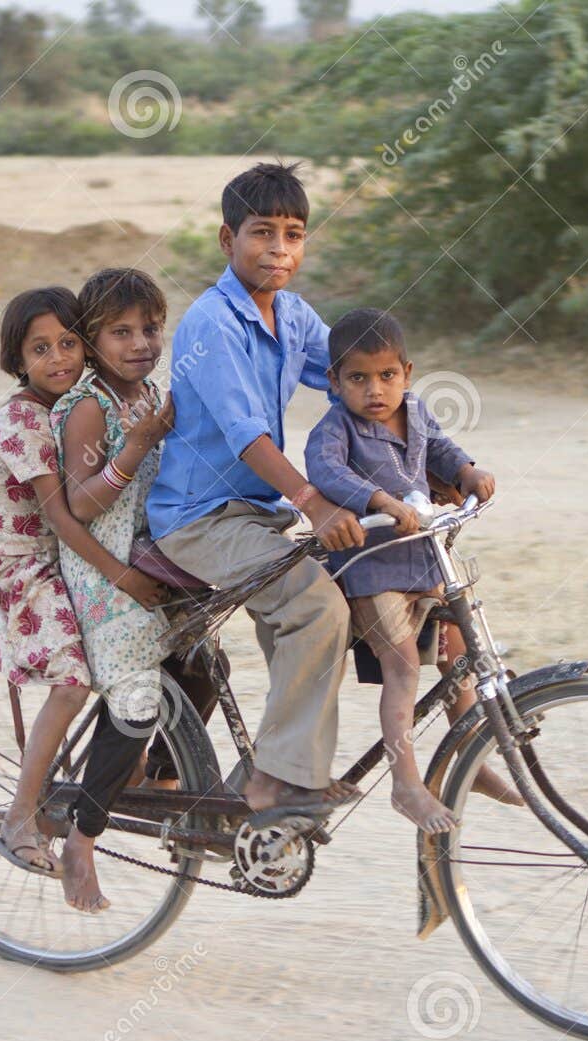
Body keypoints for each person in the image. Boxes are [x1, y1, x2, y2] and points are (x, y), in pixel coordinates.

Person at [148, 161, 363, 823]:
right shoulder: (212, 323)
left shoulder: (292, 316)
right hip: (200, 519)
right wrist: (315, 502)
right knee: (316, 608)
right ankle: (273, 782)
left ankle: (270, 772)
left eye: (293, 234)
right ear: (226, 240)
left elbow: (357, 380)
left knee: (357, 589)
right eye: (261, 232)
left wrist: (435, 458)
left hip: (254, 514)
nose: (279, 249)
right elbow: (246, 436)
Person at [0, 287, 168, 887]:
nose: (59, 359)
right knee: (72, 683)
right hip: (22, 560)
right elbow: (63, 516)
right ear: (17, 359)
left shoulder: (85, 402)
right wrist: (123, 575)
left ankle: (126, 767)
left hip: (67, 553)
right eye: (40, 349)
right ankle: (19, 819)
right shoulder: (20, 419)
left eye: (69, 343)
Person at [304, 307, 520, 831]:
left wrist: (467, 471)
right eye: (358, 379)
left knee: (458, 650)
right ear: (334, 382)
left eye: (387, 376)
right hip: (372, 568)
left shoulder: (417, 411)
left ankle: (470, 755)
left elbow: (441, 450)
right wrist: (377, 497)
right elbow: (324, 470)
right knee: (402, 667)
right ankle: (405, 783)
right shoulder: (336, 428)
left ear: (407, 372)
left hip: (425, 556)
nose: (375, 390)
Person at [49, 268, 181, 913]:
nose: (140, 343)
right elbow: (78, 501)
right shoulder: (89, 408)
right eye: (120, 332)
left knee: (205, 665)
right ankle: (81, 838)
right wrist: (131, 448)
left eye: (151, 329)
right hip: (102, 569)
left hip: (150, 558)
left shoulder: (150, 394)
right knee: (134, 696)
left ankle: (156, 775)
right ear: (91, 340)